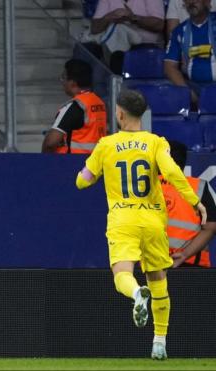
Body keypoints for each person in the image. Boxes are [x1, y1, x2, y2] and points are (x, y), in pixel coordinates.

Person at [75, 89, 207, 360]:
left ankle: (136, 293)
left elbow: (83, 180)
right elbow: (171, 171)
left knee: (122, 274)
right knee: (158, 279)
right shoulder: (156, 142)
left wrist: (88, 172)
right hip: (153, 220)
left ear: (120, 113)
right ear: (142, 114)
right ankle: (159, 342)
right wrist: (194, 201)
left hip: (123, 218)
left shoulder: (106, 145)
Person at [161, 141, 216, 268]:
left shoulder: (146, 188)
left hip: (152, 264)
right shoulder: (199, 186)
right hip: (192, 264)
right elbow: (211, 227)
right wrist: (184, 254)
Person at [41, 59, 107, 154]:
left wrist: (43, 162)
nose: (62, 81)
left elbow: (50, 143)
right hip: (95, 162)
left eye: (64, 77)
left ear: (73, 83)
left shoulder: (75, 106)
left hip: (73, 163)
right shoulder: (99, 103)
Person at [90, 0, 165, 74]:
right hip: (114, 43)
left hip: (145, 44)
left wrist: (133, 18)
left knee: (118, 57)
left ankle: (117, 84)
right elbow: (94, 29)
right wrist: (109, 16)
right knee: (92, 51)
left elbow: (159, 25)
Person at [165, 0, 216, 105]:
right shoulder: (179, 31)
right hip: (193, 87)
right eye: (187, 0)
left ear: (207, 2)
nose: (191, 2)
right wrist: (187, 92)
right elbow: (169, 67)